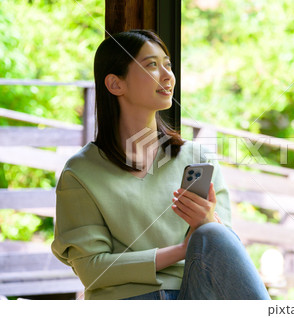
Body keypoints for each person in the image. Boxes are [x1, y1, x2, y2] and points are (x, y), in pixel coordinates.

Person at [51, 30, 270, 300]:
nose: (168, 76)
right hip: (129, 302)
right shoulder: (81, 172)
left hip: (195, 296)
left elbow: (224, 254)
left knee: (214, 232)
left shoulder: (197, 158)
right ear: (115, 84)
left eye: (168, 64)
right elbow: (91, 270)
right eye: (152, 65)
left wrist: (205, 223)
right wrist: (181, 250)